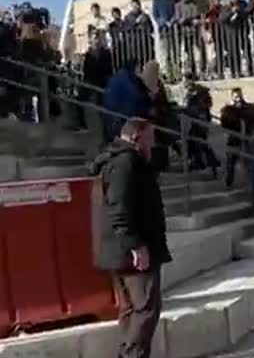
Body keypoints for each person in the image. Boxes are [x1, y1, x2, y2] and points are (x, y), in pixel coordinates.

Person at [90, 118, 171, 358]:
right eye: (150, 138)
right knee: (146, 308)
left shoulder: (116, 161)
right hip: (131, 250)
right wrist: (136, 245)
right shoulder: (126, 163)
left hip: (118, 249)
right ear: (137, 137)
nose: (153, 143)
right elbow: (120, 208)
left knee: (129, 309)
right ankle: (131, 355)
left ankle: (130, 354)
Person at [103, 60, 152, 144]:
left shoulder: (118, 77)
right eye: (139, 68)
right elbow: (134, 98)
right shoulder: (129, 80)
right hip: (123, 117)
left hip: (113, 116)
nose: (141, 70)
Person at [220, 87, 254, 188]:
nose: (238, 99)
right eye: (235, 97)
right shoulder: (229, 110)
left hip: (247, 139)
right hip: (234, 140)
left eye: (239, 96)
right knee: (230, 163)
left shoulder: (249, 108)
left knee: (249, 165)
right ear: (232, 98)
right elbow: (225, 124)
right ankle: (229, 182)